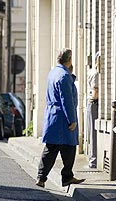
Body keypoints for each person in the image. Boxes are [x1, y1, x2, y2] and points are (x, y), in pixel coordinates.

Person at [36, 48, 85, 188]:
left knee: (51, 148)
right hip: (62, 118)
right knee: (69, 147)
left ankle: (42, 177)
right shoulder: (64, 75)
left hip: (53, 115)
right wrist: (72, 120)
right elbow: (67, 100)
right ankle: (67, 176)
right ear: (69, 60)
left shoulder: (53, 72)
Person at [86, 51, 100, 168]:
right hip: (94, 104)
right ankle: (93, 160)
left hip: (90, 103)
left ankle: (92, 159)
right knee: (94, 134)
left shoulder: (91, 72)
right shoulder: (96, 74)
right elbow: (95, 93)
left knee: (91, 132)